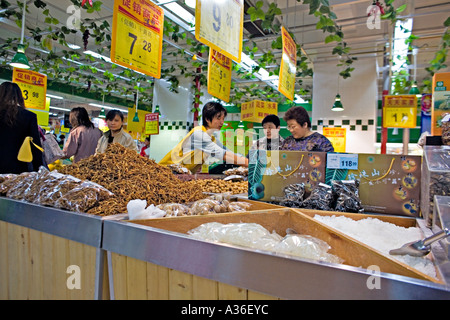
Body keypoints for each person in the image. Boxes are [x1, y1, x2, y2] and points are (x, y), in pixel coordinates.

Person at [159, 101, 248, 173]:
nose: (222, 122)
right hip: (165, 172)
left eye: (223, 119)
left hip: (180, 174)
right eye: (218, 118)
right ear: (207, 119)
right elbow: (222, 154)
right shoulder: (199, 134)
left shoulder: (212, 138)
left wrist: (247, 160)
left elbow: (227, 152)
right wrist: (249, 164)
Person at [0, 81, 44, 174]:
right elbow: (35, 145)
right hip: (17, 168)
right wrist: (39, 169)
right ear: (19, 96)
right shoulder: (29, 116)